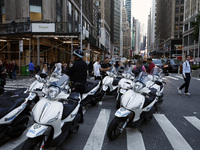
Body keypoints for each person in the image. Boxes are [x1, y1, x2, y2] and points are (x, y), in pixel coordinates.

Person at [67, 49, 87, 123]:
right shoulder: (85, 64)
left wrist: (69, 65)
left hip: (75, 85)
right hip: (82, 85)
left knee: (74, 102)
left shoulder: (74, 64)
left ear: (76, 56)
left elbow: (68, 72)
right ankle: (79, 118)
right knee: (79, 100)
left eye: (74, 56)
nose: (73, 57)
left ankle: (79, 118)